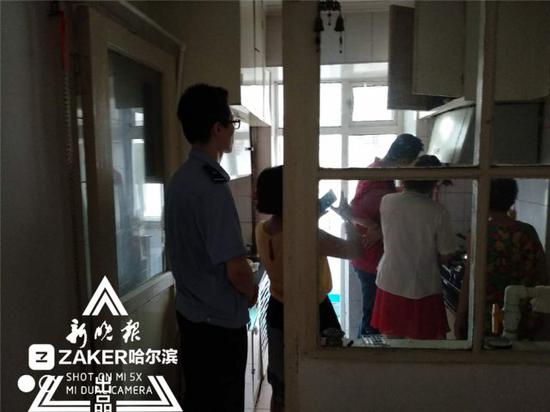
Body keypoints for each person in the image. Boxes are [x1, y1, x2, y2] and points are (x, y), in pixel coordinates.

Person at [165, 84, 258, 412]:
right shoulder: (212, 187)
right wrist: (251, 292)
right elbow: (236, 270)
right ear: (217, 129)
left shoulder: (181, 179)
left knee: (199, 398)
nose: (233, 131)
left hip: (190, 316)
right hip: (218, 326)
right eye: (232, 124)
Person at [254, 165, 362, 412]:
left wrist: (308, 218)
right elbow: (355, 250)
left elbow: (286, 236)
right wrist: (348, 218)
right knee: (326, 377)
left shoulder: (262, 229)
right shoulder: (309, 236)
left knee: (281, 386)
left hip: (277, 310)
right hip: (314, 312)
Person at [371, 155, 456, 339]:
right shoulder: (438, 211)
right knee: (425, 344)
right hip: (423, 284)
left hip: (391, 279)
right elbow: (446, 253)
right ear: (433, 183)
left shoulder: (387, 201)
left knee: (392, 341)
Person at [348, 133, 424, 337]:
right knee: (372, 317)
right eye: (411, 164)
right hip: (370, 258)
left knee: (372, 315)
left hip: (368, 256)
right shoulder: (379, 178)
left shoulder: (378, 172)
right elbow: (357, 210)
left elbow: (367, 208)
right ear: (404, 160)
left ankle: (365, 350)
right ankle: (366, 354)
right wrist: (377, 230)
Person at [454, 178, 547, 339]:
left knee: (488, 353)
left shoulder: (478, 232)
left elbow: (469, 279)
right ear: (512, 199)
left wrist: (460, 316)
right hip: (523, 314)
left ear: (484, 199)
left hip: (485, 314)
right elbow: (542, 273)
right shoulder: (527, 232)